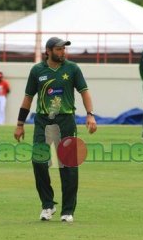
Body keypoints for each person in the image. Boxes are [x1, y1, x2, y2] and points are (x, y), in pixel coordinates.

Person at [14, 37, 97, 223]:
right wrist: (20, 124)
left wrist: (90, 114)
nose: (63, 52)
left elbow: (84, 92)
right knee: (39, 161)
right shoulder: (37, 71)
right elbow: (28, 98)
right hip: (43, 121)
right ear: (48, 51)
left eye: (64, 49)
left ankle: (68, 211)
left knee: (68, 165)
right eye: (59, 49)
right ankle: (47, 205)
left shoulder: (72, 69)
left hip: (66, 120)